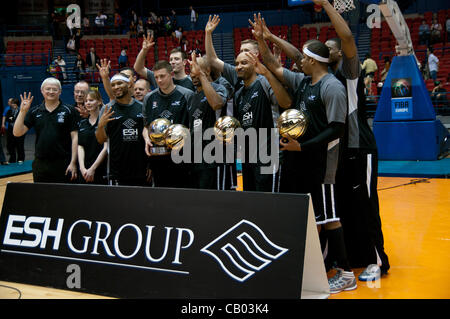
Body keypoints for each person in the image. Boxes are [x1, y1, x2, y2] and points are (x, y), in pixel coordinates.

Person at [251, 12, 355, 294]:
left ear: (312, 61)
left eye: (304, 59)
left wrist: (303, 146)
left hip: (322, 163)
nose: (300, 62)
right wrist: (264, 39)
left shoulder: (332, 87)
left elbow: (337, 128)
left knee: (329, 217)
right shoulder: (303, 82)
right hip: (299, 161)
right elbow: (273, 65)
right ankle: (312, 268)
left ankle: (345, 272)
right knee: (310, 217)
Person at [13, 78, 78, 183]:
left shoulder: (69, 110)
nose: (51, 92)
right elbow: (17, 132)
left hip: (63, 164)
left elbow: (75, 137)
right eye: (48, 89)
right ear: (42, 91)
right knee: (42, 198)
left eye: (54, 89)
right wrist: (22, 111)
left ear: (60, 91)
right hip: (40, 165)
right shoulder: (34, 111)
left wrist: (73, 162)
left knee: (63, 198)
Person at [142, 60, 194, 188]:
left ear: (171, 74)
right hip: (158, 156)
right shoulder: (149, 98)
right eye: (156, 77)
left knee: (182, 193)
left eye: (162, 76)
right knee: (162, 196)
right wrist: (146, 139)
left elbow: (194, 125)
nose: (159, 80)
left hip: (181, 156)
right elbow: (146, 126)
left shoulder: (187, 95)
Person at [95, 74, 147, 186]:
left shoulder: (142, 107)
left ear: (128, 84)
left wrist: (150, 165)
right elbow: (101, 139)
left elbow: (148, 137)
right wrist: (100, 126)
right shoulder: (107, 109)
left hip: (141, 169)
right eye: (113, 85)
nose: (116, 87)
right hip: (117, 170)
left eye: (119, 83)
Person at [187, 52, 228, 189]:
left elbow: (217, 104)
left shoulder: (219, 88)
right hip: (194, 156)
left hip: (213, 155)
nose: (193, 74)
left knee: (213, 198)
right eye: (191, 70)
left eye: (196, 69)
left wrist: (202, 76)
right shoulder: (191, 97)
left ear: (208, 70)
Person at [78, 90, 108, 184]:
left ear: (99, 102)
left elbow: (106, 147)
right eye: (86, 101)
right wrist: (82, 168)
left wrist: (93, 168)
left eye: (91, 100)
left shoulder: (105, 121)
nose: (88, 103)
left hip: (101, 168)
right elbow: (80, 146)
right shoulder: (82, 123)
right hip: (85, 171)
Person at [2, 98, 25, 163]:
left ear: (17, 104)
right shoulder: (9, 111)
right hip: (10, 130)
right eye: (12, 104)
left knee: (19, 145)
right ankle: (12, 159)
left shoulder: (21, 111)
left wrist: (12, 119)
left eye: (14, 104)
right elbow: (8, 119)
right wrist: (13, 119)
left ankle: (20, 159)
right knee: (10, 145)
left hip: (20, 130)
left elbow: (22, 119)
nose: (13, 106)